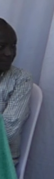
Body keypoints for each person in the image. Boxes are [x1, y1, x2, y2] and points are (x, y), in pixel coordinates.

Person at [0, 19, 32, 166]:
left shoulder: (21, 79)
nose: (9, 53)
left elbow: (8, 130)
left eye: (13, 46)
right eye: (1, 46)